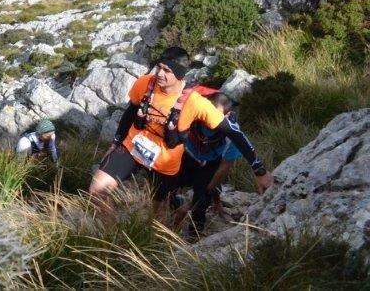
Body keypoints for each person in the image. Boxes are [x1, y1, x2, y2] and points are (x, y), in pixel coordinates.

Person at [89, 47, 272, 213]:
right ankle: (110, 238)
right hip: (132, 147)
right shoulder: (145, 84)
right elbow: (131, 111)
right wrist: (115, 142)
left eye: (167, 70)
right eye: (159, 67)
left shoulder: (194, 102)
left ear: (180, 74)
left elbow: (234, 133)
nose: (159, 74)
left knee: (157, 212)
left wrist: (260, 172)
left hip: (165, 163)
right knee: (97, 190)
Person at [172, 92, 245, 234]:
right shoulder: (192, 114)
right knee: (170, 186)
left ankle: (195, 234)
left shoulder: (233, 132)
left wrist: (205, 193)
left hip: (210, 163)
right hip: (187, 155)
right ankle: (173, 210)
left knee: (201, 203)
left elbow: (224, 167)